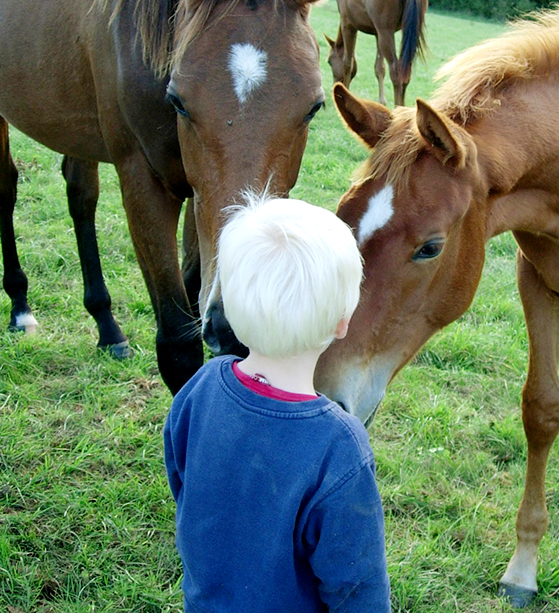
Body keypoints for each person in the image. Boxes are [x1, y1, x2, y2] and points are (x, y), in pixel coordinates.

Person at [164, 193, 391, 613]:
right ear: (343, 322)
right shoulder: (338, 447)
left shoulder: (201, 388)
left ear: (229, 305)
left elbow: (182, 479)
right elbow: (356, 583)